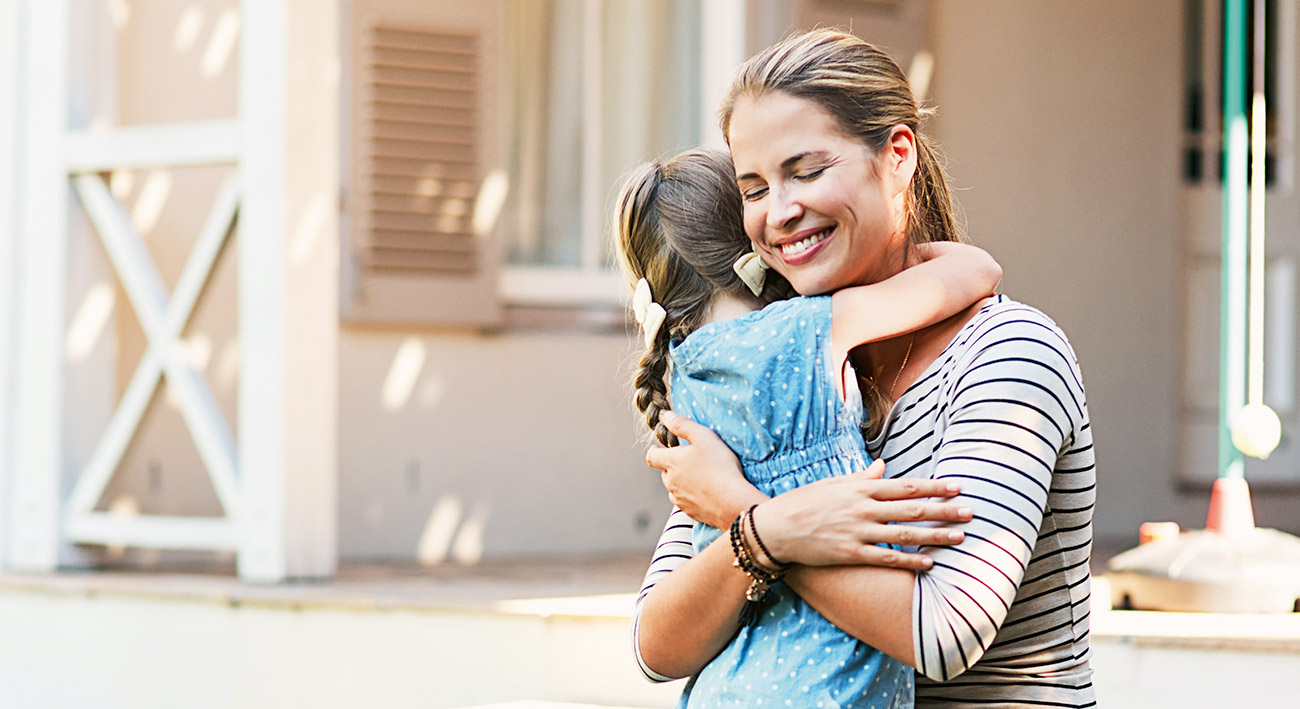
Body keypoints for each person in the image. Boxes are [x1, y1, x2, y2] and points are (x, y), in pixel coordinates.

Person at [636, 29, 1096, 708]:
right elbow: (656, 645)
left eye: (808, 170)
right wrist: (764, 532)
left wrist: (752, 519)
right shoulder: (774, 373)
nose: (780, 212)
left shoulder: (1010, 355)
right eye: (755, 188)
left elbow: (943, 630)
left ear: (897, 156)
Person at [615, 147, 1001, 708]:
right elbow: (977, 272)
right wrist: (908, 247)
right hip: (828, 686)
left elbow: (654, 656)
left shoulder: (686, 384)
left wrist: (746, 518)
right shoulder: (811, 328)